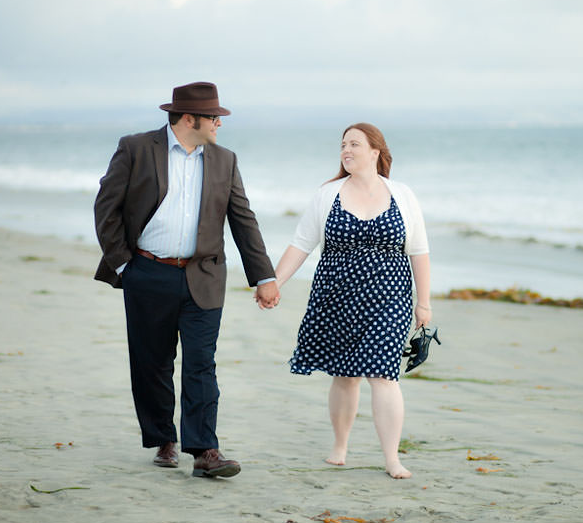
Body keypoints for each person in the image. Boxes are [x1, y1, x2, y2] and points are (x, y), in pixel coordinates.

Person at [94, 81, 279, 478]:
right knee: (153, 364)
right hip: (147, 272)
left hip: (204, 275)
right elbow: (106, 208)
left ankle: (204, 451)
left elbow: (243, 219)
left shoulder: (225, 160)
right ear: (189, 118)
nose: (219, 124)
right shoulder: (137, 148)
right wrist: (126, 266)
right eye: (213, 117)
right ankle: (164, 438)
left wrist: (263, 276)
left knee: (201, 364)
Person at [265, 123, 431, 479]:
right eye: (343, 145)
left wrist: (424, 302)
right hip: (336, 297)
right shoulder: (328, 194)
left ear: (375, 151)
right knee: (345, 376)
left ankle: (392, 459)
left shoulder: (402, 194)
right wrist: (274, 283)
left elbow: (419, 251)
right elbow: (301, 244)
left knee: (384, 374)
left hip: (390, 299)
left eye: (355, 144)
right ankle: (340, 446)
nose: (346, 150)